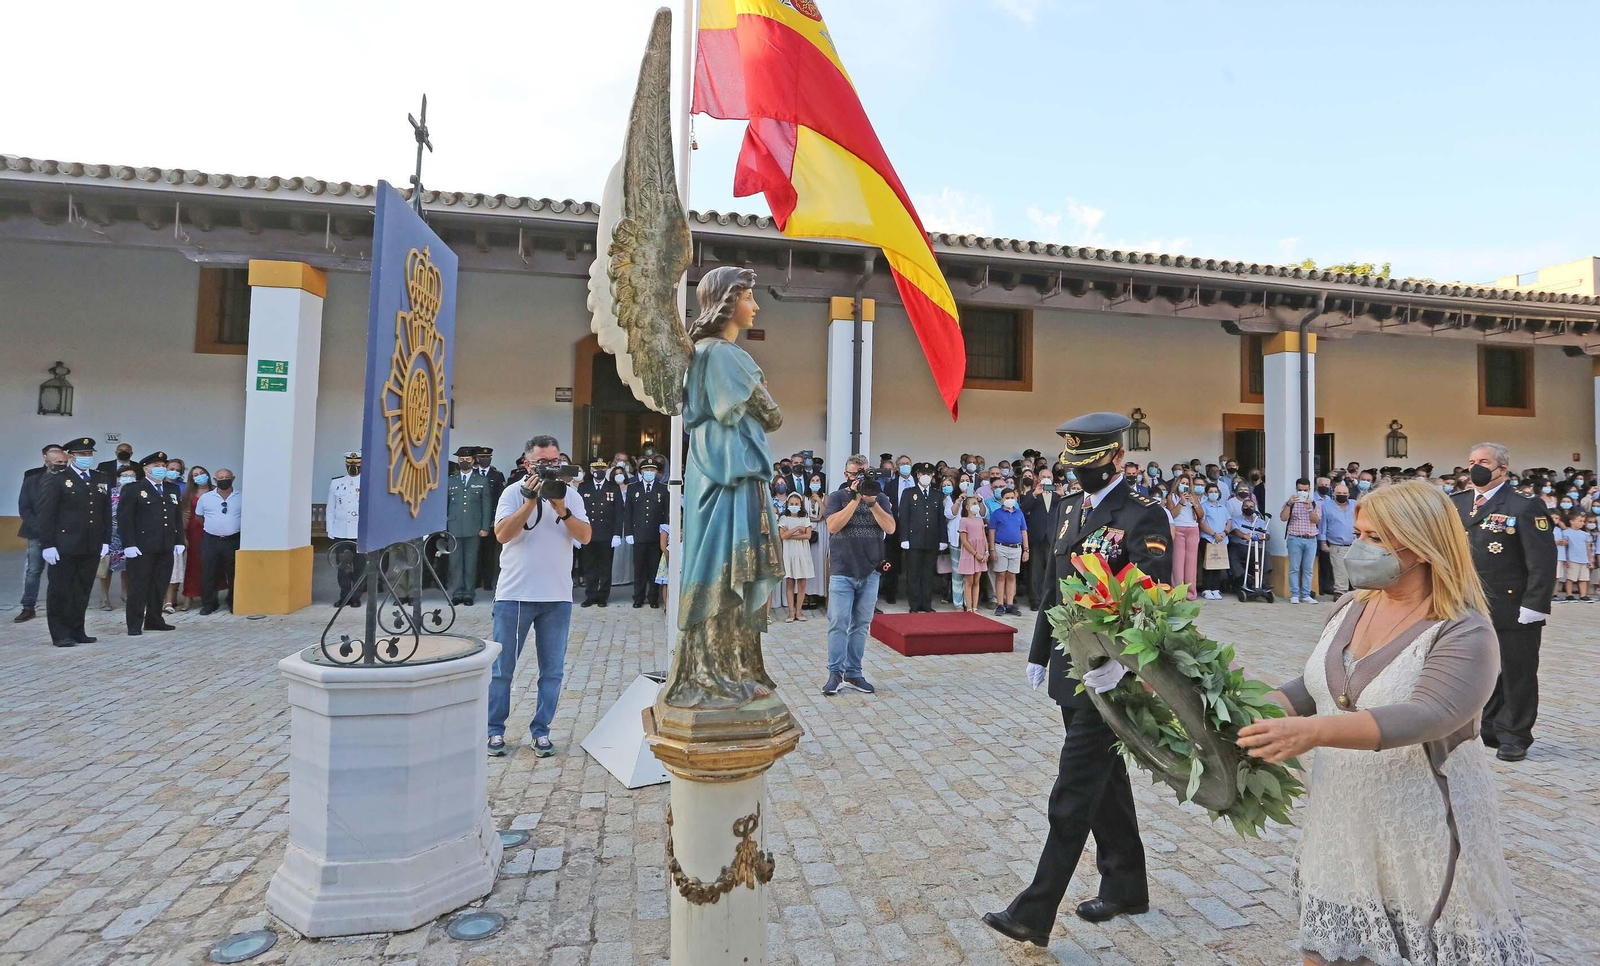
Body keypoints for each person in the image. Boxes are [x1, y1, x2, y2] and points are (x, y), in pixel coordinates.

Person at [1239, 481, 1535, 966]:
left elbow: (1431, 714)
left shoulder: (1464, 629)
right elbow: (1312, 690)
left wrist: (1312, 734)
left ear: (1420, 546)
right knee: (1331, 953)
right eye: (1358, 533)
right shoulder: (1352, 605)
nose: (1359, 548)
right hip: (1342, 817)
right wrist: (1222, 701)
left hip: (1422, 824)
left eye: (1375, 537)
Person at [986, 413, 1171, 949]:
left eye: (1089, 464)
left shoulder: (1142, 516)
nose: (1078, 474)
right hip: (1073, 666)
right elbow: (1053, 584)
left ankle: (1033, 910)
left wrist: (1127, 662)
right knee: (1105, 779)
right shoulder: (1067, 509)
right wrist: (1039, 651)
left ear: (1117, 458)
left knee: (1074, 788)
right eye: (1072, 464)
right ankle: (1126, 885)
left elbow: (1152, 596)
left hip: (1114, 672)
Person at [487, 436, 591, 757]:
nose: (550, 467)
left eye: (555, 461)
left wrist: (562, 510)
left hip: (557, 597)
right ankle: (494, 731)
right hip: (514, 595)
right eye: (543, 462)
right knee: (503, 669)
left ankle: (541, 730)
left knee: (553, 671)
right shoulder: (511, 492)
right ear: (527, 463)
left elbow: (585, 537)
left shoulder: (570, 494)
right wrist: (530, 502)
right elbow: (502, 534)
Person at [1453, 443, 1555, 762]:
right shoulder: (1455, 504)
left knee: (1516, 670)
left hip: (1513, 604)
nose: (1475, 467)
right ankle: (1488, 725)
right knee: (1482, 668)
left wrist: (1535, 604)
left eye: (1483, 461)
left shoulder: (1524, 506)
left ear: (1503, 469)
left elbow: (1542, 560)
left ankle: (1515, 734)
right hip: (1469, 602)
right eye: (1471, 462)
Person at [822, 455, 895, 696]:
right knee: (838, 622)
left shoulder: (880, 498)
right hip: (843, 570)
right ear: (847, 475)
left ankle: (854, 673)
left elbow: (890, 528)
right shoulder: (837, 497)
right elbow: (832, 526)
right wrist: (854, 500)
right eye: (856, 473)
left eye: (864, 472)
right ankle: (835, 673)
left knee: (861, 625)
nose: (861, 477)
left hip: (870, 570)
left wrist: (872, 502)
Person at [35, 437, 112, 646]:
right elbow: (46, 514)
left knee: (82, 589)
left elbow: (105, 512)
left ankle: (78, 630)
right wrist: (47, 544)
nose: (87, 458)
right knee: (61, 590)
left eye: (89, 454)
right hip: (64, 544)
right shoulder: (57, 478)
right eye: (82, 454)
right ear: (70, 457)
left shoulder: (100, 478)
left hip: (91, 543)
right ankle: (60, 633)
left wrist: (106, 539)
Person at [118, 451, 182, 636]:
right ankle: (134, 623)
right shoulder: (133, 489)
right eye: (156, 466)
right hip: (141, 546)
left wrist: (179, 541)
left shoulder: (172, 490)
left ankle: (154, 619)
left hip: (165, 545)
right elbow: (125, 519)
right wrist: (129, 544)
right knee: (139, 586)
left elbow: (176, 518)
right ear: (146, 469)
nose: (161, 469)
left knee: (159, 584)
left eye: (163, 466)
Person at [14, 444, 65, 624]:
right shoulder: (32, 477)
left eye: (63, 461)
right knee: (34, 569)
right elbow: (25, 507)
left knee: (59, 572)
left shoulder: (69, 479)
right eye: (57, 461)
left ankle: (58, 608)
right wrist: (41, 529)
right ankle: (28, 607)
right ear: (46, 459)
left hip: (61, 533)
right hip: (36, 533)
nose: (61, 464)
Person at [445, 446, 493, 606]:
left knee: (471, 562)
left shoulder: (482, 480)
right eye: (461, 460)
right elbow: (444, 505)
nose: (464, 462)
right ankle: (457, 592)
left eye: (467, 460)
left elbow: (486, 505)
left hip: (474, 527)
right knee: (455, 561)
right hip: (454, 526)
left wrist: (485, 527)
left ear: (473, 461)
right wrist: (443, 526)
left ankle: (469, 593)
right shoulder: (450, 480)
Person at [896, 461, 945, 613]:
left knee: (928, 573)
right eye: (922, 474)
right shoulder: (909, 493)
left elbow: (941, 519)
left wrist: (943, 539)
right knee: (913, 573)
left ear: (932, 476)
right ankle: (915, 604)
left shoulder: (937, 494)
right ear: (917, 475)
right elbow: (903, 517)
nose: (925, 477)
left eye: (928, 474)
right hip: (913, 540)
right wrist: (904, 538)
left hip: (931, 540)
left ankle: (926, 604)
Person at [624, 455, 670, 608]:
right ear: (641, 472)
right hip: (638, 536)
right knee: (639, 569)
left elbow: (666, 513)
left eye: (652, 469)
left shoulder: (663, 489)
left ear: (657, 473)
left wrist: (666, 534)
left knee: (654, 569)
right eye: (646, 469)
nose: (649, 472)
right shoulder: (632, 487)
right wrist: (629, 533)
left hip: (656, 536)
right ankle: (638, 597)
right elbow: (628, 513)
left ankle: (653, 598)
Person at [575, 459, 623, 607]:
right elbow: (577, 511)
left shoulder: (613, 487)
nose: (599, 471)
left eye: (602, 468)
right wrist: (577, 534)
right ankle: (591, 595)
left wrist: (617, 534)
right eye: (596, 469)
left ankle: (603, 596)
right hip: (588, 533)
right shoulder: (584, 487)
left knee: (605, 567)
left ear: (606, 470)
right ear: (591, 471)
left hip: (606, 534)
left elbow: (619, 512)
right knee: (589, 566)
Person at [194, 469, 241, 614]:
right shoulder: (206, 497)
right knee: (209, 572)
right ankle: (209, 603)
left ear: (233, 478)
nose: (224, 479)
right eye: (221, 478)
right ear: (215, 480)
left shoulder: (242, 496)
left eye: (227, 477)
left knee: (234, 573)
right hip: (211, 540)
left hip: (233, 540)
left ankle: (233, 602)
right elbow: (199, 517)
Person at [326, 451, 363, 607]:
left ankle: (356, 597)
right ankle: (344, 596)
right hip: (341, 531)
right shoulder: (336, 483)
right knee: (343, 566)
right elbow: (331, 508)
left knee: (359, 567)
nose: (352, 467)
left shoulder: (366, 483)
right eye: (350, 465)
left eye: (355, 465)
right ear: (346, 465)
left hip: (359, 532)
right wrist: (330, 529)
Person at [97, 464, 134, 611]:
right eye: (125, 476)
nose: (129, 479)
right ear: (118, 479)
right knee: (107, 567)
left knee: (128, 566)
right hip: (110, 535)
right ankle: (104, 597)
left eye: (132, 476)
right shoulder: (109, 493)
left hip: (130, 535)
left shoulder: (136, 493)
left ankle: (125, 593)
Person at [1020, 469, 1057, 610]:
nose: (1046, 479)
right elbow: (1023, 509)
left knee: (1051, 570)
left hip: (1052, 537)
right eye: (1043, 477)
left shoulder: (1058, 496)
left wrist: (1062, 495)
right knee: (1035, 571)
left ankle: (1050, 599)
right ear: (1038, 479)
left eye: (1048, 477)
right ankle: (1035, 600)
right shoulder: (1031, 494)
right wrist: (1035, 494)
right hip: (1036, 536)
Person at [1282, 477, 1323, 603]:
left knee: (1308, 568)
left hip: (1311, 539)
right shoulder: (1291, 502)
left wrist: (1309, 508)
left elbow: (1317, 520)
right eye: (1300, 490)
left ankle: (1306, 594)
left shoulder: (1315, 504)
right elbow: (1283, 518)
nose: (1302, 492)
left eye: (1305, 490)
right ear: (1296, 489)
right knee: (1294, 567)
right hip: (1295, 538)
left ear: (1309, 489)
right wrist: (1289, 504)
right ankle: (1294, 594)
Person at [987, 487, 1028, 615]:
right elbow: (992, 531)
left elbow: (1024, 531)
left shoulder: (1019, 513)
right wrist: (992, 549)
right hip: (1000, 547)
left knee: (1012, 575)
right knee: (1000, 575)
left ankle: (1010, 604)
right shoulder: (997, 514)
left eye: (1012, 498)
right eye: (1007, 498)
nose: (1010, 500)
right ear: (1002, 499)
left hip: (1016, 548)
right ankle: (1000, 604)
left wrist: (1026, 549)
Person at [180, 466, 214, 610]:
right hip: (194, 531)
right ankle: (188, 596)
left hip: (212, 530)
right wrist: (183, 536)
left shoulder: (215, 491)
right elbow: (185, 515)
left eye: (202, 473)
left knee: (211, 563)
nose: (199, 476)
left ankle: (211, 596)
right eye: (196, 475)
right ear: (191, 479)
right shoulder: (189, 493)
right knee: (193, 564)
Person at [474, 446, 507, 593]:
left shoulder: (497, 475)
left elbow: (500, 498)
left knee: (489, 552)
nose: (484, 460)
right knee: (474, 552)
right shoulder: (472, 473)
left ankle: (487, 580)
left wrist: (497, 518)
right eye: (482, 458)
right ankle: (475, 580)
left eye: (487, 458)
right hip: (474, 518)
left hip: (492, 519)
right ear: (477, 459)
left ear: (491, 459)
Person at [779, 493, 815, 622]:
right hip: (789, 553)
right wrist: (797, 529)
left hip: (803, 553)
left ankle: (799, 611)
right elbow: (782, 536)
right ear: (788, 505)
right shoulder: (784, 518)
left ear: (801, 505)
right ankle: (791, 612)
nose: (794, 506)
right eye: (792, 504)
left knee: (802, 582)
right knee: (789, 582)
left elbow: (808, 536)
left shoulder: (805, 518)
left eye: (796, 504)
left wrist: (791, 535)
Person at [1165, 474, 1201, 601]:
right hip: (1178, 528)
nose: (1184, 485)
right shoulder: (1172, 497)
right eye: (1182, 483)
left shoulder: (1194, 497)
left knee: (1191, 562)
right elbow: (1172, 514)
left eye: (1187, 483)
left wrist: (1194, 503)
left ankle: (1190, 593)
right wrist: (1181, 501)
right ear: (1177, 483)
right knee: (1178, 562)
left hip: (1193, 529)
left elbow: (1201, 515)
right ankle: (1177, 592)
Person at [1318, 480, 1356, 597]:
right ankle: (1340, 592)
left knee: (1356, 569)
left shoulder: (1355, 504)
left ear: (1348, 495)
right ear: (1333, 494)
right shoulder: (1326, 507)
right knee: (1340, 570)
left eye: (1345, 494)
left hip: (1355, 543)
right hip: (1337, 544)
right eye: (1339, 493)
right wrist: (1323, 543)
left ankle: (1357, 593)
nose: (1342, 495)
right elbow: (1322, 525)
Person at [1197, 481, 1230, 599]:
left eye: (1215, 492)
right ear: (1206, 494)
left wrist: (1224, 533)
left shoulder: (1223, 507)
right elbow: (1202, 522)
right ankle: (1206, 589)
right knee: (1208, 564)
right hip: (1208, 538)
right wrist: (1214, 534)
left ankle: (1216, 588)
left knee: (1218, 564)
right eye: (1211, 492)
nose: (1213, 494)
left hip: (1222, 539)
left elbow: (1229, 521)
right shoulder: (1204, 506)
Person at [956, 495, 989, 612]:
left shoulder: (980, 520)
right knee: (969, 581)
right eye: (974, 504)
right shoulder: (963, 521)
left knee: (977, 580)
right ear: (967, 507)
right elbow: (964, 540)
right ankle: (968, 607)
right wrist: (975, 554)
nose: (976, 506)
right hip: (970, 554)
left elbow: (984, 537)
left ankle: (975, 606)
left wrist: (986, 552)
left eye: (977, 504)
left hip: (980, 552)